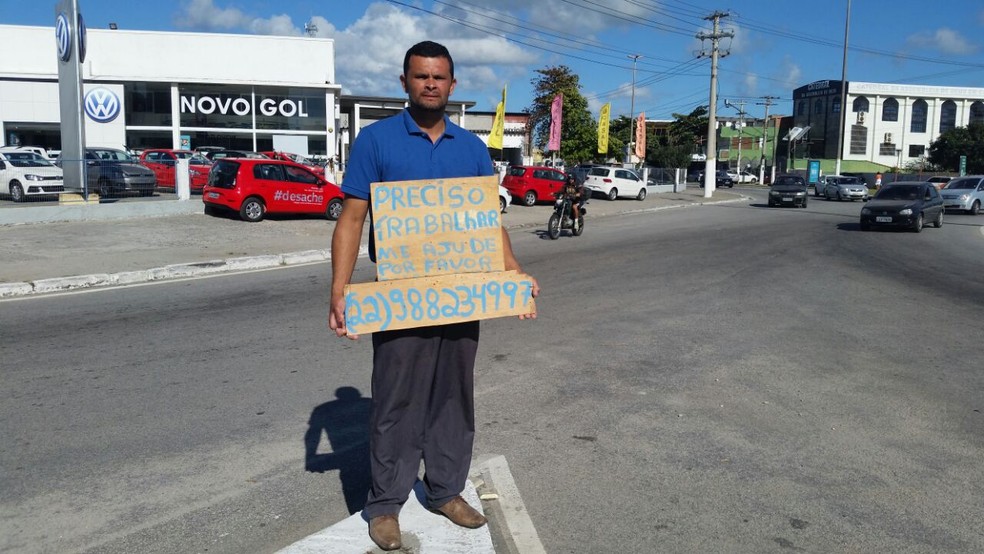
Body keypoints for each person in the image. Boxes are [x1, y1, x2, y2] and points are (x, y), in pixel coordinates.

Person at [328, 41, 539, 552]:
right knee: (395, 400)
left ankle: (445, 489)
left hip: (464, 295)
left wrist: (515, 275)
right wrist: (339, 290)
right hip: (401, 297)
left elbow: (488, 224)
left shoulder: (470, 148)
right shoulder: (376, 140)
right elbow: (352, 218)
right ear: (405, 82)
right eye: (421, 76)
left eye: (439, 77)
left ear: (452, 84)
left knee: (453, 396)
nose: (430, 84)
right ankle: (385, 505)